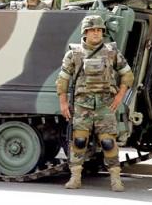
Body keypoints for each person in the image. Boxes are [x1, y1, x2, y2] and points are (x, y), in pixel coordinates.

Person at [56, 15, 134, 192]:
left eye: (99, 30)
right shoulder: (74, 54)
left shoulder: (111, 52)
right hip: (82, 105)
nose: (96, 33)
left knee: (108, 143)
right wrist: (63, 103)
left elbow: (127, 74)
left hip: (105, 105)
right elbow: (63, 79)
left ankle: (115, 179)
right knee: (79, 141)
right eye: (93, 30)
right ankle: (75, 177)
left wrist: (119, 96)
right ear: (85, 32)